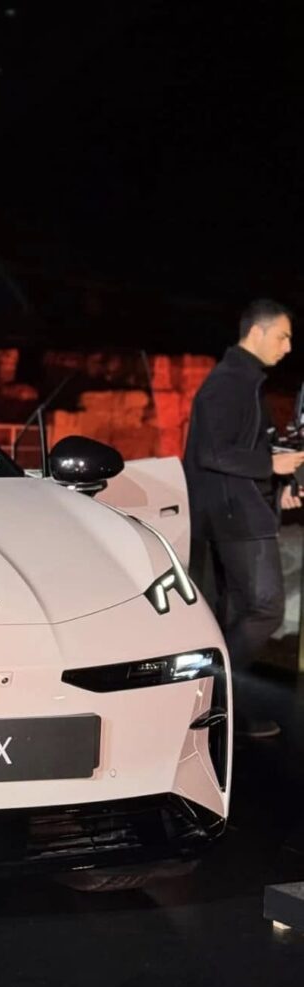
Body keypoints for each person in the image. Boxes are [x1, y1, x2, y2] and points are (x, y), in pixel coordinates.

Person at [183, 298, 304, 738]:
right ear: (257, 332)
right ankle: (214, 698)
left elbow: (239, 449)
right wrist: (271, 465)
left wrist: (279, 488)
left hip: (241, 511)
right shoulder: (229, 382)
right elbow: (211, 452)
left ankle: (222, 711)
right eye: (283, 337)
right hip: (236, 519)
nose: (288, 347)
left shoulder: (245, 380)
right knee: (266, 609)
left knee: (235, 613)